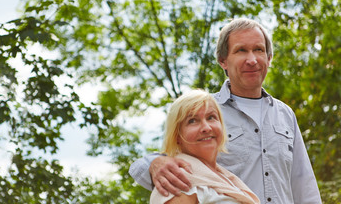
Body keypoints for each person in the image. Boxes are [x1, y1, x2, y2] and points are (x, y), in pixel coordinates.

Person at [129, 18, 322, 203]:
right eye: (241, 51)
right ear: (223, 61)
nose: (252, 59)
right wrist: (155, 163)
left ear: (269, 58)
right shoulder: (205, 114)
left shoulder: (285, 114)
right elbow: (173, 154)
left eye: (258, 50)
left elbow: (303, 184)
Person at [150, 89, 260, 203]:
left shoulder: (227, 178)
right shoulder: (178, 179)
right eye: (192, 120)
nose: (207, 128)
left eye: (211, 117)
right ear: (177, 136)